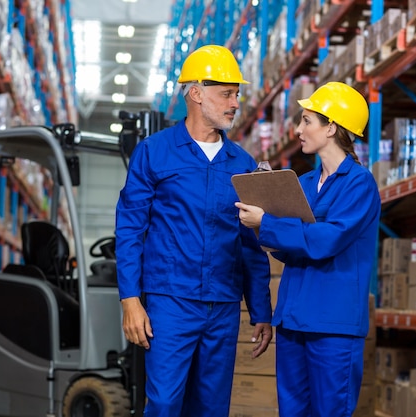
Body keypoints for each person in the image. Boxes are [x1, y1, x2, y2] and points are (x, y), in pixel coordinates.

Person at [114, 44, 273, 417]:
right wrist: (130, 301)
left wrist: (261, 311)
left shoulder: (242, 162)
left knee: (212, 407)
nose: (236, 103)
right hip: (171, 301)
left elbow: (251, 245)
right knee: (166, 403)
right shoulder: (155, 152)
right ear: (197, 94)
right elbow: (130, 228)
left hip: (223, 303)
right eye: (226, 94)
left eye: (237, 94)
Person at [235, 81, 381, 417]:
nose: (298, 129)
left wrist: (269, 223)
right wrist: (264, 210)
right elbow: (286, 248)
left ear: (331, 127)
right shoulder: (300, 184)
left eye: (306, 121)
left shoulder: (359, 184)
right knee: (292, 411)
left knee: (329, 411)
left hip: (333, 324)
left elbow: (327, 240)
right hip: (293, 318)